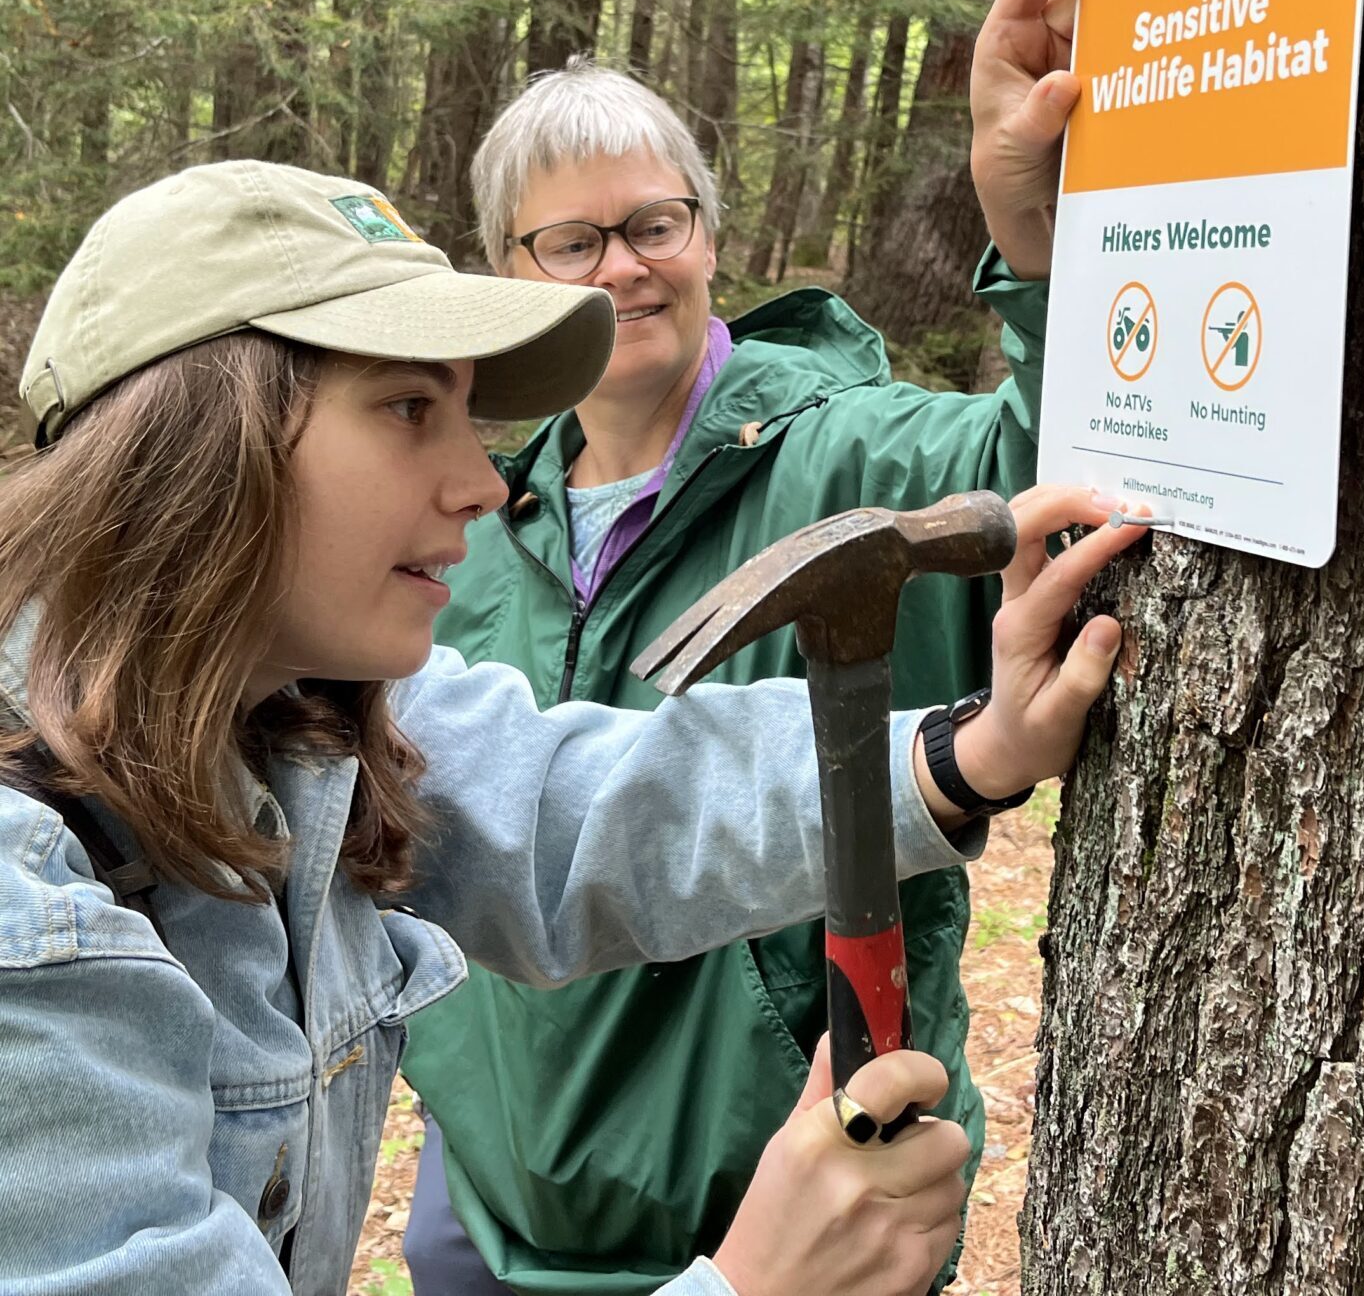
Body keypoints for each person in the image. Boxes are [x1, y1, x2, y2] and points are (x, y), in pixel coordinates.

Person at [0, 156, 1144, 1296]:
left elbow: (571, 807)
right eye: (409, 408)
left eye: (465, 414)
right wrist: (749, 1288)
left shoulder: (294, 719)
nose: (484, 483)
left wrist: (967, 754)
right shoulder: (28, 901)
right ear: (198, 446)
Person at [401, 0, 1093, 1295]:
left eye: (657, 223)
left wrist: (1036, 248)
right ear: (508, 268)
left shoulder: (850, 461)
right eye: (572, 240)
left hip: (783, 1211)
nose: (625, 270)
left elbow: (1059, 470)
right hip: (484, 1214)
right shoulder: (472, 529)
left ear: (708, 233)